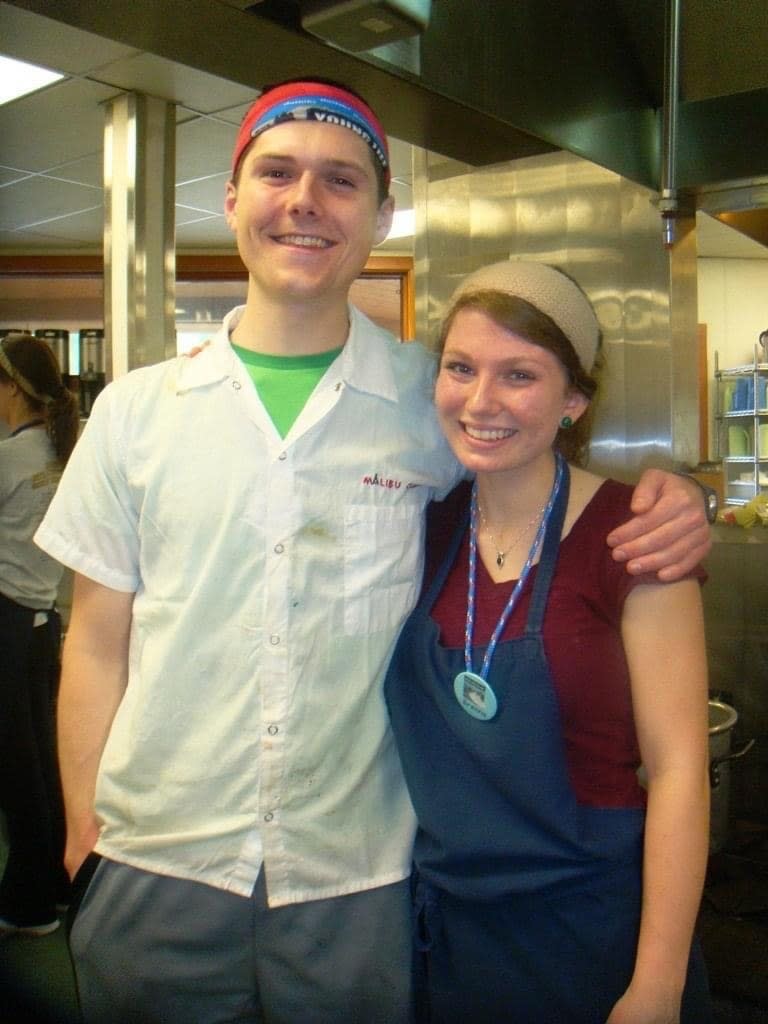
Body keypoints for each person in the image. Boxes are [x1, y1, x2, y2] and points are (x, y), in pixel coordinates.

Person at [35, 79, 711, 1023]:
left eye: (342, 181)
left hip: (358, 877)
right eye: (277, 172)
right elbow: (97, 641)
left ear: (382, 215)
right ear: (231, 198)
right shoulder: (136, 413)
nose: (306, 200)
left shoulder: (425, 404)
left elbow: (537, 462)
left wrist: (679, 489)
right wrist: (84, 832)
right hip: (157, 859)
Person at [384, 261, 713, 1024]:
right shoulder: (424, 526)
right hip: (452, 931)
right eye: (460, 368)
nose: (480, 401)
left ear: (574, 400)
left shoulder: (634, 537)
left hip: (595, 931)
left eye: (519, 375)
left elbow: (679, 773)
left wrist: (656, 986)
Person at [0, 332, 79, 938]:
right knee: (41, 764)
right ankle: (51, 889)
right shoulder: (58, 456)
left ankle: (26, 902)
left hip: (8, 620)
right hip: (42, 622)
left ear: (9, 389)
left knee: (17, 768)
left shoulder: (11, 459)